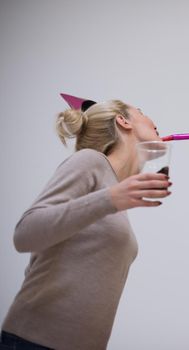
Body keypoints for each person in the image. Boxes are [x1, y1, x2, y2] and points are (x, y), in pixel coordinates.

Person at [1, 95, 172, 350]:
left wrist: (113, 196)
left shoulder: (116, 188)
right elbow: (24, 234)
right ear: (123, 121)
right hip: (32, 342)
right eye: (140, 111)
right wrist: (110, 198)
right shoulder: (90, 161)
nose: (151, 119)